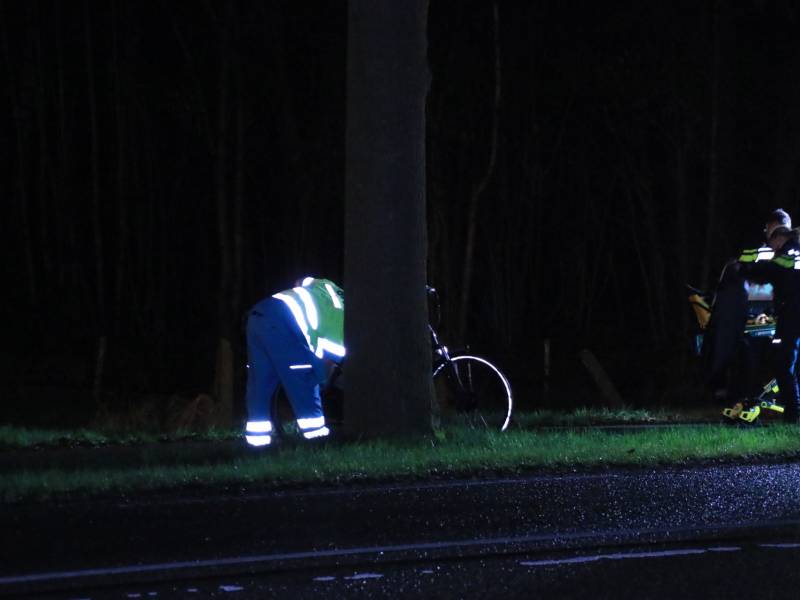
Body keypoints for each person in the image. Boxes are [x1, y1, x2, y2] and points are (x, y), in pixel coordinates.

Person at [244, 277, 345, 447]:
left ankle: (256, 442)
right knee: (302, 374)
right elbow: (326, 362)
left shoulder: (328, 287)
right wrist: (323, 381)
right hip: (284, 323)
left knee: (260, 381)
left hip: (258, 314)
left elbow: (302, 281)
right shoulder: (341, 320)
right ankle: (316, 438)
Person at [738, 224, 800, 423]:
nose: (772, 249)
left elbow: (769, 269)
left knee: (784, 365)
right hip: (793, 313)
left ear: (779, 238)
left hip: (793, 317)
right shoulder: (796, 252)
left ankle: (792, 416)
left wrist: (743, 266)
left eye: (772, 244)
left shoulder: (787, 254)